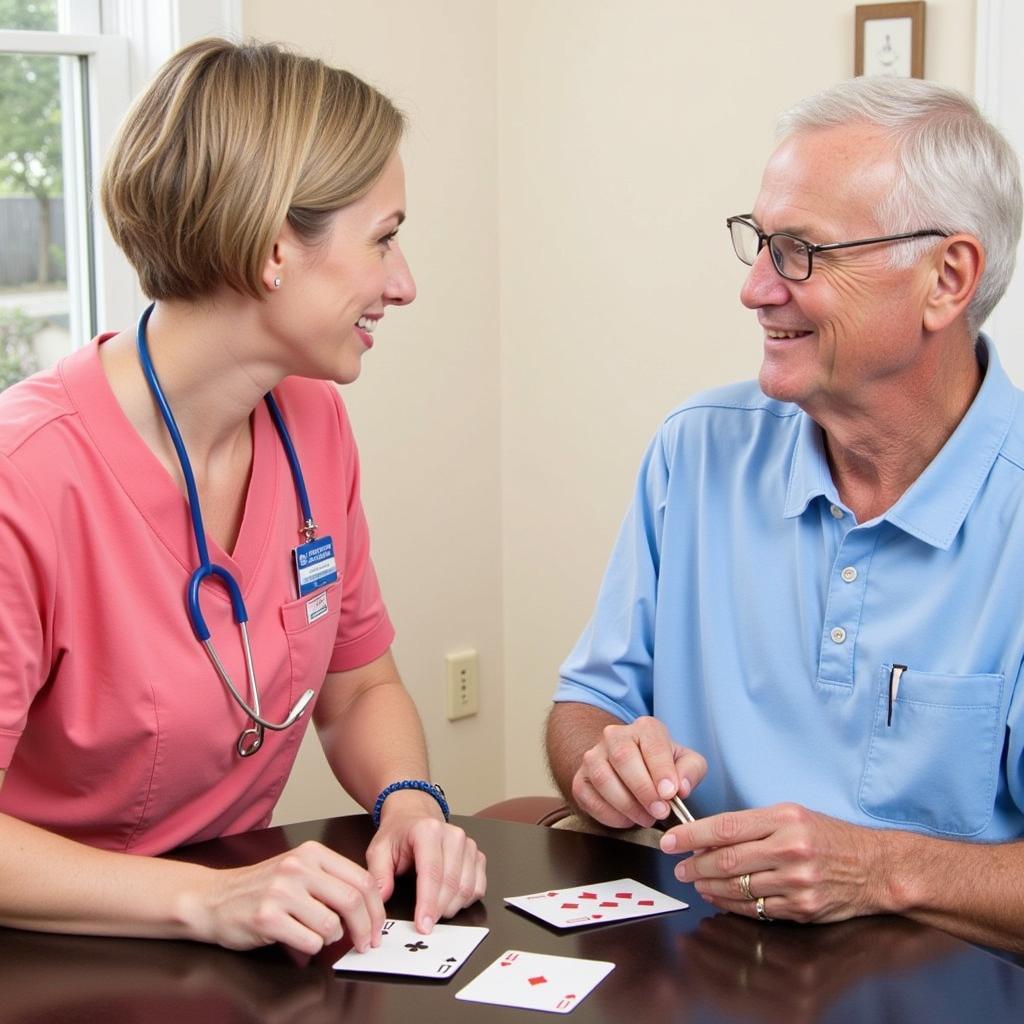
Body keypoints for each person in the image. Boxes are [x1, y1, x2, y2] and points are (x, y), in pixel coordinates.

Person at [0, 38, 485, 954]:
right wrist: (202, 900)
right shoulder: (24, 481)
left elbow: (360, 686)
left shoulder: (312, 423)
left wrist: (408, 801)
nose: (404, 282)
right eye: (384, 238)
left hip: (231, 948)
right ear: (273, 251)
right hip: (47, 951)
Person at [546, 76, 1024, 953]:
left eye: (802, 251)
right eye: (759, 244)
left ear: (947, 279)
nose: (757, 289)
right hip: (703, 971)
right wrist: (601, 763)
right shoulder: (695, 450)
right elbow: (588, 702)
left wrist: (874, 868)